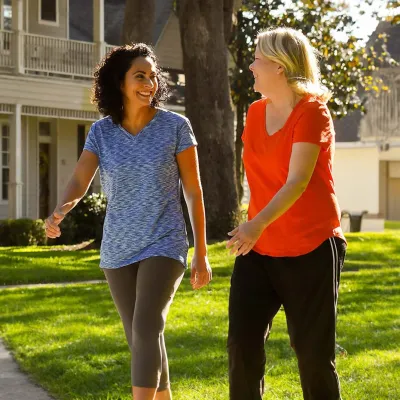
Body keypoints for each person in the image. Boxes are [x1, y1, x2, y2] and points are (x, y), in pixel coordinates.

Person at [45, 43, 212, 400]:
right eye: (140, 76)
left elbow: (193, 192)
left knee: (147, 325)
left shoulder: (175, 127)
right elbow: (79, 179)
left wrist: (201, 251)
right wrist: (62, 207)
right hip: (118, 246)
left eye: (153, 76)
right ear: (118, 82)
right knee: (139, 334)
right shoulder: (102, 133)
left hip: (164, 242)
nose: (149, 84)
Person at [226, 27, 347, 400]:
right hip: (260, 249)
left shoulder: (312, 112)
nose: (251, 66)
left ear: (279, 66)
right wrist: (255, 226)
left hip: (310, 245)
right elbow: (259, 177)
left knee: (312, 354)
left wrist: (255, 224)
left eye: (258, 59)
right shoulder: (254, 111)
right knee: (241, 346)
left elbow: (296, 181)